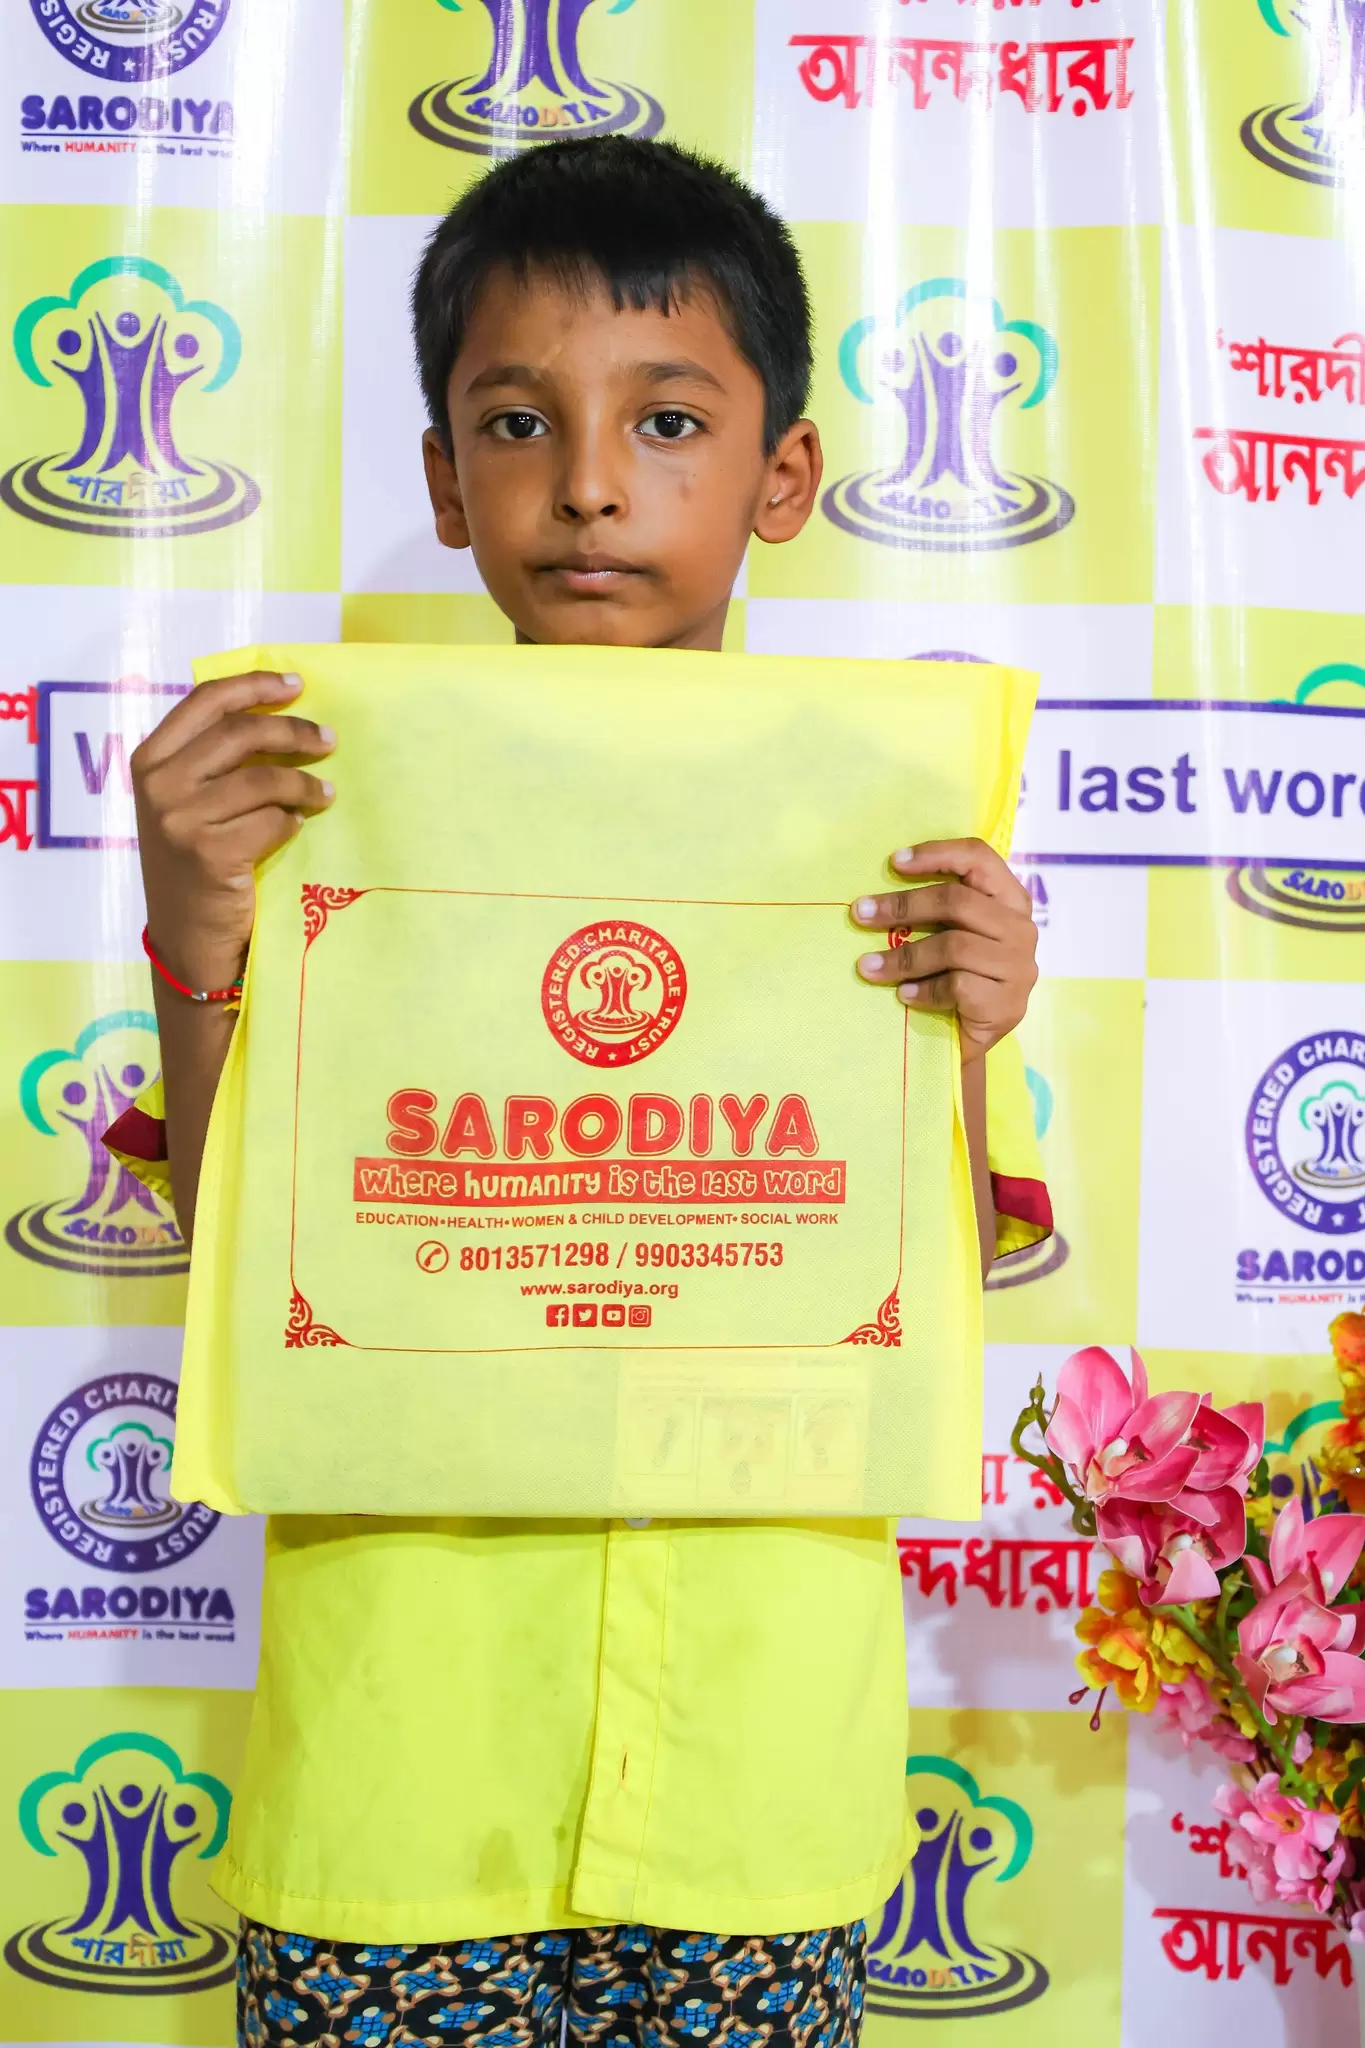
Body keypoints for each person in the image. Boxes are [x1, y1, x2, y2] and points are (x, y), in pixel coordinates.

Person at [110, 136, 1049, 2048]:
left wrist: (972, 1028)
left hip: (756, 1776)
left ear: (784, 473)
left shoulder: (891, 843)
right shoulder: (314, 807)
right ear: (445, 479)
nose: (593, 481)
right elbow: (239, 1255)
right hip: (398, 1768)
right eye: (519, 421)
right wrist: (197, 930)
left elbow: (932, 1271)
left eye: (670, 419)